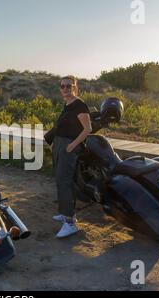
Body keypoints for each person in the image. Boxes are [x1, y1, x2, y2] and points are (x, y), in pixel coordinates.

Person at [52, 76, 92, 238]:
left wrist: (71, 145)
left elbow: (87, 129)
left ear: (74, 87)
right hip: (60, 146)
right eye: (62, 86)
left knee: (66, 181)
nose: (65, 88)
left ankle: (69, 223)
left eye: (69, 86)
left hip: (69, 147)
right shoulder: (67, 104)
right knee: (60, 180)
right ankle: (65, 212)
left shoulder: (79, 104)